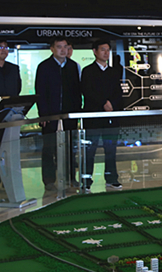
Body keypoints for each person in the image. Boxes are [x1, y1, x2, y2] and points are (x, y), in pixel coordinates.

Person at [35, 37, 82, 191]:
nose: (63, 50)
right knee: (49, 148)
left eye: (65, 47)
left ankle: (70, 177)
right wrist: (43, 114)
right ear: (52, 49)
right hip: (50, 115)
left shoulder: (73, 66)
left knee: (70, 148)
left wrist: (77, 111)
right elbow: (40, 92)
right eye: (59, 47)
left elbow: (76, 91)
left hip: (69, 115)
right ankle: (49, 180)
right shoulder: (44, 67)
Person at [81, 39, 123, 190]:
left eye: (108, 50)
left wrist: (111, 104)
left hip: (111, 116)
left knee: (111, 149)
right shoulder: (88, 71)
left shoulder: (114, 71)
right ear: (95, 51)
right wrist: (103, 103)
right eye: (102, 49)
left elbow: (118, 91)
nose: (106, 53)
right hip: (93, 117)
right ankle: (86, 181)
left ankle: (111, 178)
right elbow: (87, 91)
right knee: (90, 150)